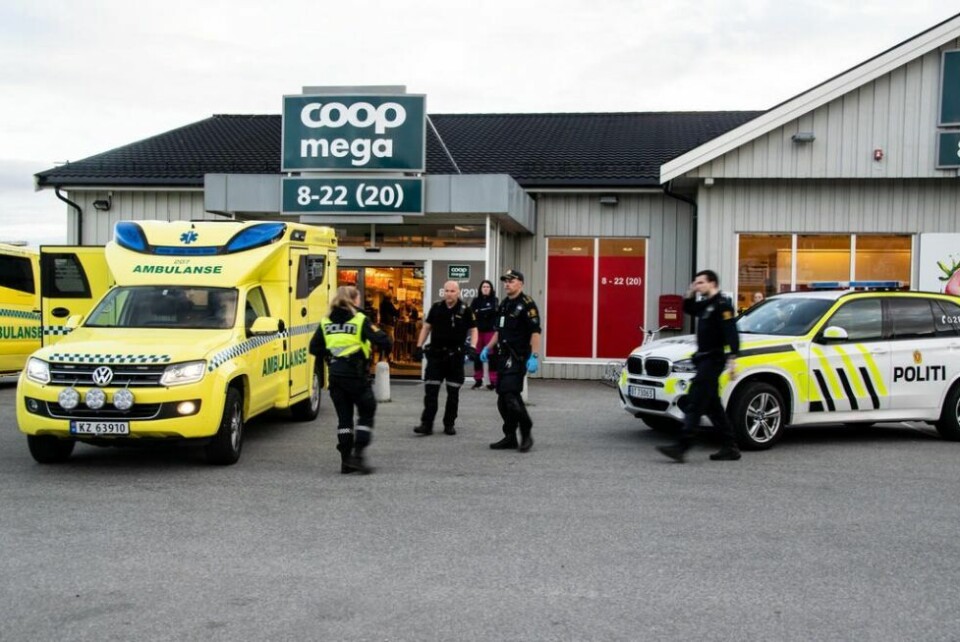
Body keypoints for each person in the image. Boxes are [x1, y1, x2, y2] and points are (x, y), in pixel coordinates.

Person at [657, 269, 741, 463]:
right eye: (696, 283)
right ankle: (730, 447)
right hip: (703, 359)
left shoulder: (723, 306)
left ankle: (682, 445)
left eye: (701, 283)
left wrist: (733, 359)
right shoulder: (706, 305)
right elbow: (688, 308)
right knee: (712, 406)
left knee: (695, 400)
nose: (698, 285)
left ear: (712, 283)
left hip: (713, 360)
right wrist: (690, 291)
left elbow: (731, 333)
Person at [309, 285, 392, 474]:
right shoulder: (360, 319)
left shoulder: (325, 322)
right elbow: (384, 340)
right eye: (359, 299)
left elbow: (314, 348)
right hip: (356, 377)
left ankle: (345, 461)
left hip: (336, 378)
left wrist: (331, 356)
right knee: (367, 411)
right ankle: (358, 455)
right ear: (353, 300)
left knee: (344, 420)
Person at [480, 269, 541, 453]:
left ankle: (526, 431)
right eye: (505, 281)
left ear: (520, 283)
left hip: (518, 357)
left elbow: (535, 332)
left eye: (511, 281)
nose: (507, 284)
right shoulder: (504, 304)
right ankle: (510, 436)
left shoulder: (527, 304)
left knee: (510, 396)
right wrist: (487, 347)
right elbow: (498, 331)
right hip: (503, 356)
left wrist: (535, 356)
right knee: (502, 400)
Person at [413, 281, 478, 435]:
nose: (449, 293)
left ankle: (449, 424)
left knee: (453, 393)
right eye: (446, 290)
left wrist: (473, 347)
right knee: (431, 392)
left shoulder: (465, 309)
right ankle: (426, 425)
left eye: (452, 291)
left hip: (455, 357)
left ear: (458, 292)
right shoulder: (437, 308)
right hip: (436, 356)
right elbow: (426, 327)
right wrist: (418, 346)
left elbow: (474, 330)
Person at [469, 279, 499, 390]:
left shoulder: (494, 300)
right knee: (477, 356)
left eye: (488, 287)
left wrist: (480, 311)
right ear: (481, 289)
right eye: (484, 287)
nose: (485, 289)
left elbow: (494, 312)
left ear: (491, 289)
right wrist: (485, 311)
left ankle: (493, 381)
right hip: (478, 331)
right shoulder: (476, 300)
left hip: (490, 332)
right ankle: (478, 380)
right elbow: (472, 313)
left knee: (491, 356)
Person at [378, 290, 399, 363]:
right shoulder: (389, 304)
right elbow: (396, 313)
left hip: (382, 324)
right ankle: (389, 357)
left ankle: (381, 357)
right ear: (390, 297)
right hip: (388, 325)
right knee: (391, 341)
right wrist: (400, 308)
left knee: (383, 341)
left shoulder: (381, 304)